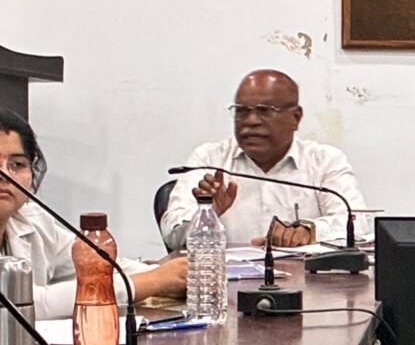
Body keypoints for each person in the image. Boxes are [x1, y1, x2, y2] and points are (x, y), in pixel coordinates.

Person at [0, 108, 186, 319]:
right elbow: (29, 304)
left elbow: (98, 263)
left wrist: (173, 274)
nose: (5, 174)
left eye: (17, 164)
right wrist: (155, 280)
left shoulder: (32, 220)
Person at [160, 69, 369, 249]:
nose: (251, 121)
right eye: (242, 111)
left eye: (264, 111)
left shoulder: (324, 161)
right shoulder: (209, 160)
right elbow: (172, 234)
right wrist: (207, 214)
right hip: (224, 279)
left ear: (296, 117)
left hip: (306, 280)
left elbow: (359, 223)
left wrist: (310, 231)